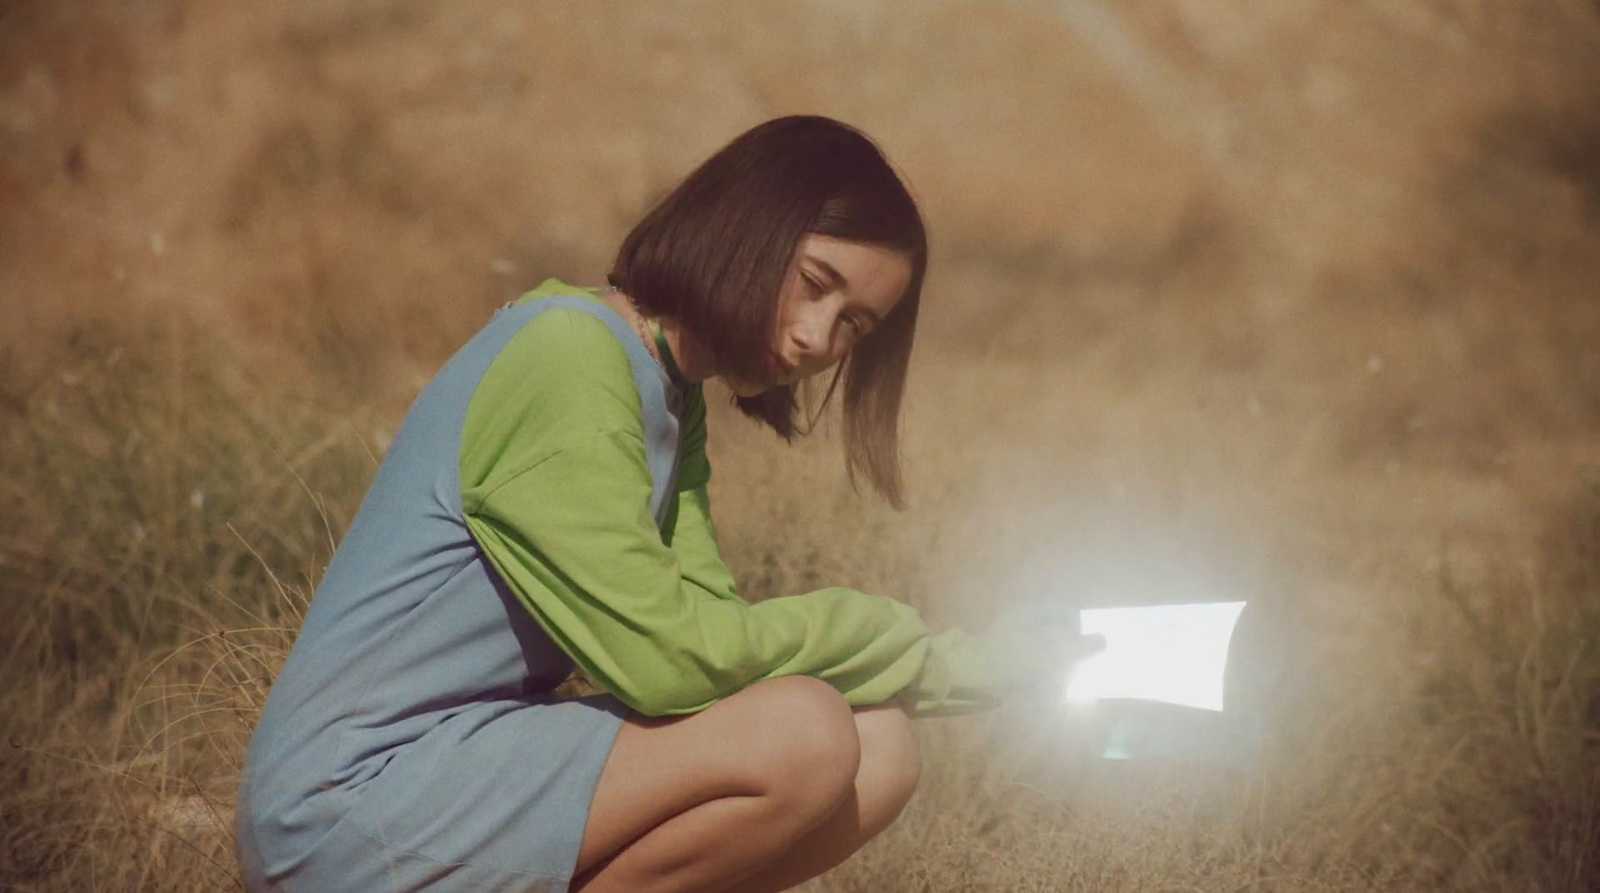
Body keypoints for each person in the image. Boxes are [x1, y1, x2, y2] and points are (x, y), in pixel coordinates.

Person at [236, 115, 1101, 893]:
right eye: (814, 282)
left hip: (463, 763)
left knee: (878, 749)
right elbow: (669, 665)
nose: (815, 339)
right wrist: (901, 639)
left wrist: (967, 666)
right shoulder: (568, 357)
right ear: (746, 224)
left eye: (854, 326)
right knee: (803, 735)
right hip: (342, 808)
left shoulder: (667, 395)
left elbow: (707, 648)